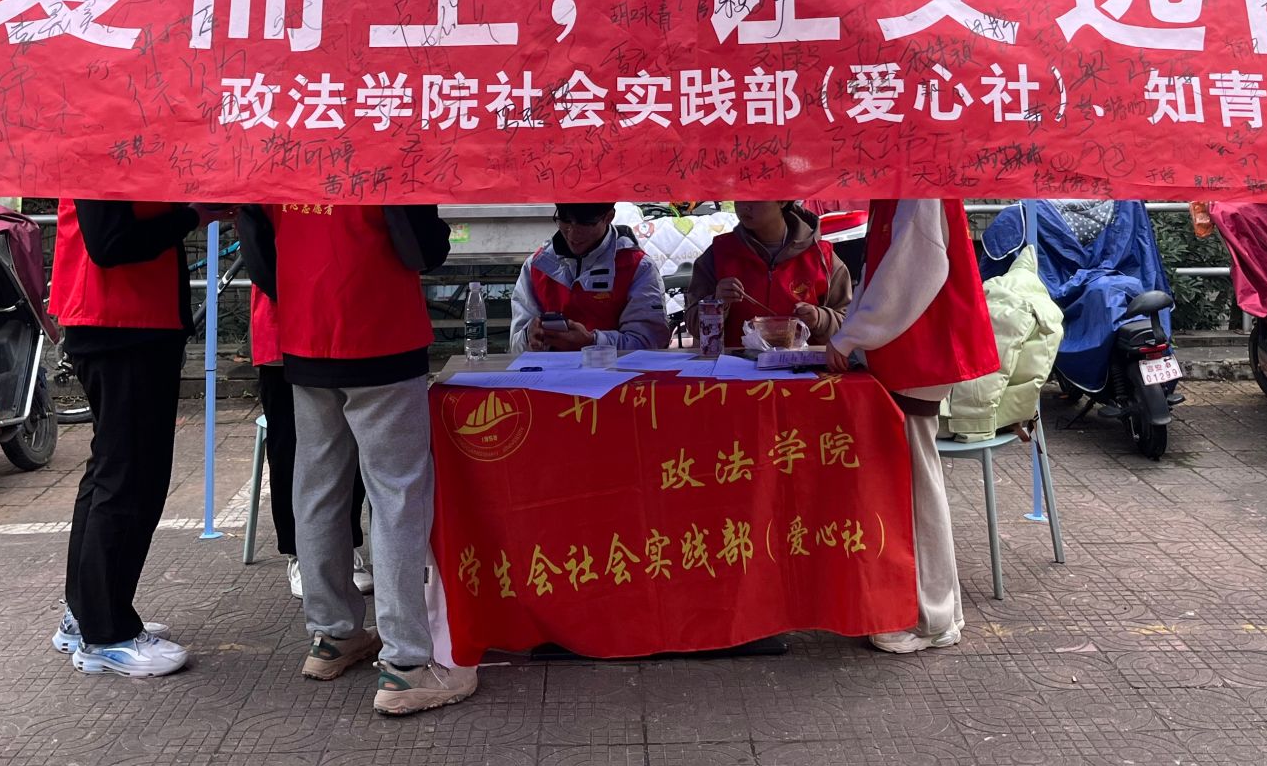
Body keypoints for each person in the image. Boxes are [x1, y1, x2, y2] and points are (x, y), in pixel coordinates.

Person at [239, 203, 476, 714]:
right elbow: (424, 248)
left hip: (306, 335)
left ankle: (332, 633)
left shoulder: (270, 162)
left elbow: (258, 255)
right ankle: (406, 663)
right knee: (397, 495)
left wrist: (306, 292)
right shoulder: (386, 158)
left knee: (318, 489)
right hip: (382, 332)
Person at [49, 197, 225, 677]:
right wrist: (192, 215)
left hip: (126, 322)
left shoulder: (110, 156)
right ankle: (107, 633)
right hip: (121, 325)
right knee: (129, 478)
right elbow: (110, 243)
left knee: (112, 472)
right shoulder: (103, 157)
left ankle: (87, 612)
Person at [823, 198, 1000, 653]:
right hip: (909, 349)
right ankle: (932, 611)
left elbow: (912, 269)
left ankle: (931, 616)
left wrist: (852, 336)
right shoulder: (902, 187)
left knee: (916, 487)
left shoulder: (918, 186)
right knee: (913, 484)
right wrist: (852, 333)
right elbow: (884, 272)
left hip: (919, 350)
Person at [249, 283, 374, 601]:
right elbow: (260, 264)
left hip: (342, 321)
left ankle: (344, 545)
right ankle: (299, 554)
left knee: (351, 441)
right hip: (284, 330)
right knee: (290, 449)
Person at [686, 200, 850, 347]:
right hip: (734, 367)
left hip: (803, 366)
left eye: (755, 199)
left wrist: (819, 318)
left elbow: (850, 326)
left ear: (783, 201)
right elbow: (693, 326)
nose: (744, 206)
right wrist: (716, 303)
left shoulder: (822, 257)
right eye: (739, 197)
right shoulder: (719, 253)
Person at [510, 202, 670, 353]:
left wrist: (593, 342)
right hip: (549, 372)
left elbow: (652, 343)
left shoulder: (639, 267)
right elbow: (515, 345)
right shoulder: (536, 266)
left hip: (615, 373)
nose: (573, 233)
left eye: (585, 223)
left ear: (609, 217)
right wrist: (528, 336)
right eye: (565, 220)